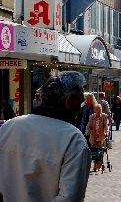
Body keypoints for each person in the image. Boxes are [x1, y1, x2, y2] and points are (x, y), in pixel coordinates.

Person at [0, 71, 90, 201]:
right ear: (69, 101)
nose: (80, 109)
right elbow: (69, 198)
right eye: (80, 103)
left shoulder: (9, 127)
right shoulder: (73, 139)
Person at [85, 104, 109, 171]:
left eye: (100, 109)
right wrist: (87, 132)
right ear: (94, 110)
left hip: (101, 137)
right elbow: (89, 126)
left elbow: (106, 126)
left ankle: (99, 166)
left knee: (100, 151)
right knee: (93, 151)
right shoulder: (91, 117)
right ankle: (95, 164)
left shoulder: (104, 116)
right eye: (97, 109)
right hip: (94, 136)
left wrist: (106, 132)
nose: (99, 110)